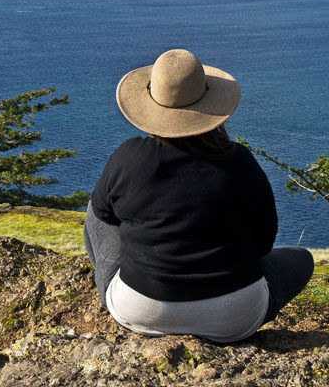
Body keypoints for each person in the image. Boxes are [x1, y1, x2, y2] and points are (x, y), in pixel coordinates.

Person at [83, 48, 314, 343]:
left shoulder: (129, 157)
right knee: (301, 259)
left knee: (96, 211)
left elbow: (102, 216)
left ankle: (118, 286)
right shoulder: (240, 162)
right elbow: (263, 244)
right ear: (211, 103)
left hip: (140, 311)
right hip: (233, 316)